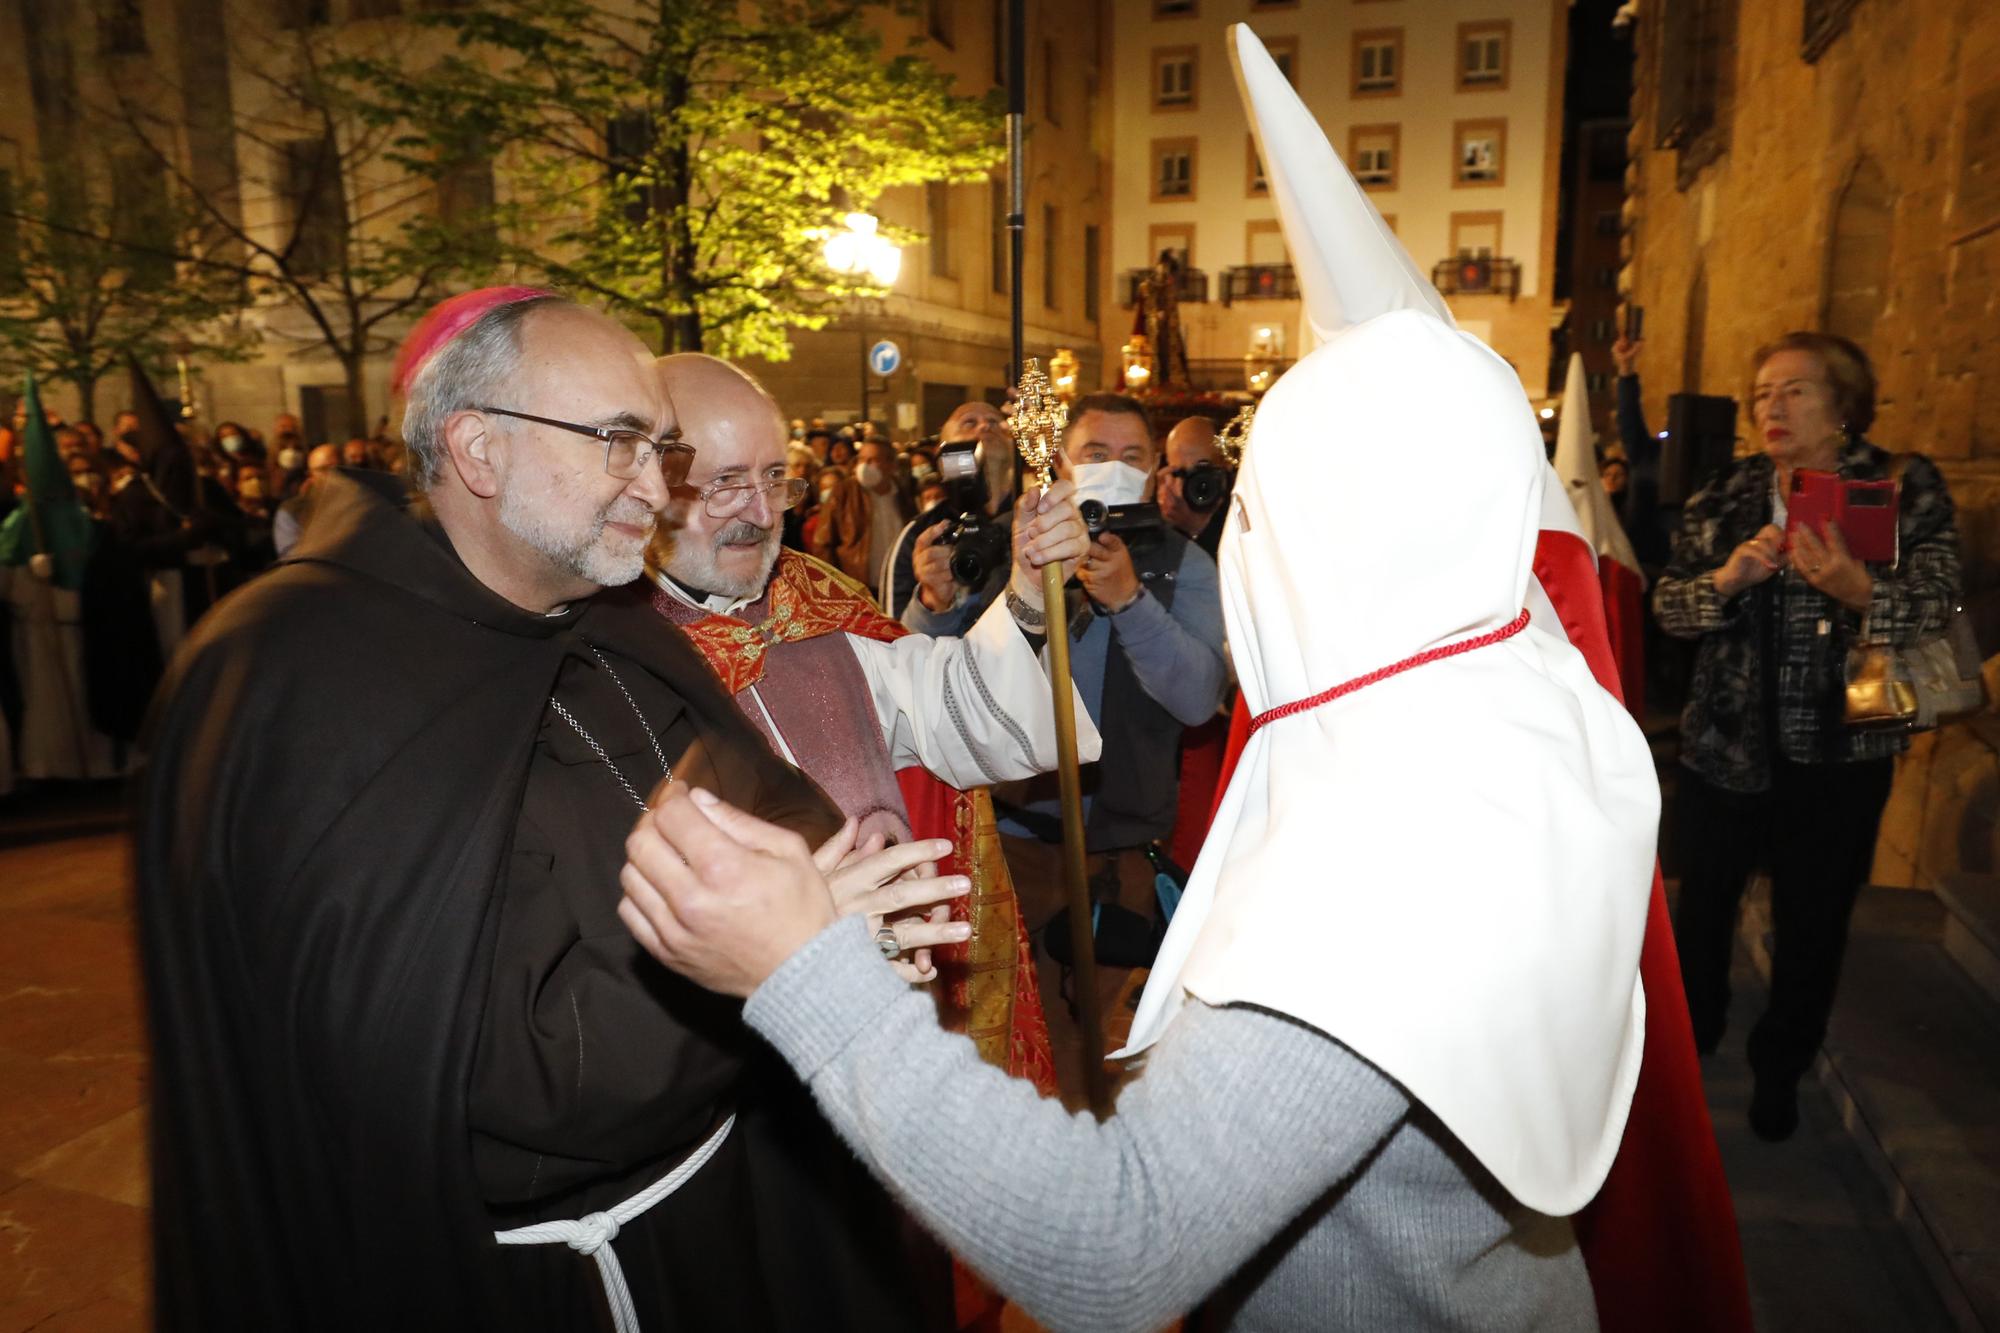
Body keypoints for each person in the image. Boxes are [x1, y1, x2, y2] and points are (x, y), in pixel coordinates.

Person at [612, 31, 1661, 1333]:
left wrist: (804, 961)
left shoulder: (1403, 835)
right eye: (727, 482)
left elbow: (1118, 1251)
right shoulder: (1518, 702)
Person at [136, 286, 965, 1331]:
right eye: (620, 442)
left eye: (659, 448)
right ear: (478, 450)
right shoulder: (298, 672)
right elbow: (502, 1086)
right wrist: (791, 952)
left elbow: (780, 822)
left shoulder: (613, 623)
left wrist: (854, 909)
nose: (656, 489)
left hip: (722, 1216)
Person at [643, 352, 1095, 1192]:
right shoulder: (611, 650)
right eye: (726, 481)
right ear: (652, 485)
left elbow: (953, 712)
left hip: (891, 1018)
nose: (760, 510)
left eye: (777, 478)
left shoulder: (813, 600)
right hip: (732, 1070)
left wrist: (1030, 590)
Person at [1654, 330, 1960, 1141]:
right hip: (1723, 748)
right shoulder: (1726, 491)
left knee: (1813, 922)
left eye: (1794, 390)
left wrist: (1860, 590)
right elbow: (1668, 607)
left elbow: (1937, 602)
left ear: (1844, 402)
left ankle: (1780, 1067)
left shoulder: (1902, 484)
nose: (1771, 407)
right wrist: (1727, 580)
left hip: (1839, 757)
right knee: (1702, 910)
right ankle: (1695, 1041)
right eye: (1761, 394)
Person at [906, 391, 1228, 1094]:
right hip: (1010, 841)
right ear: (1060, 463)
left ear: (1152, 474)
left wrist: (1129, 601)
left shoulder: (1183, 566)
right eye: (1094, 454)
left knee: (1106, 1057)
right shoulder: (1007, 545)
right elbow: (931, 684)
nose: (1113, 468)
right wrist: (933, 603)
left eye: (1131, 457)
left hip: (1118, 850)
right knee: (1004, 1050)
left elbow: (1198, 697)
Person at [880, 400, 1014, 617]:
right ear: (941, 455)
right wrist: (931, 601)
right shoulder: (919, 535)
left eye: (993, 421)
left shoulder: (1033, 516)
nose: (984, 427)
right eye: (969, 422)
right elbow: (892, 637)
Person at [1157, 414, 1232, 557]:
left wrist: (1198, 528)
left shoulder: (1246, 503)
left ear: (1226, 463)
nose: (1194, 481)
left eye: (1201, 470)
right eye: (1180, 472)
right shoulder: (1170, 508)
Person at [272, 443, 341, 557]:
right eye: (324, 469)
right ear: (311, 475)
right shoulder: (292, 510)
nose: (334, 474)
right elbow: (293, 556)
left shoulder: (364, 503)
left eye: (339, 468)